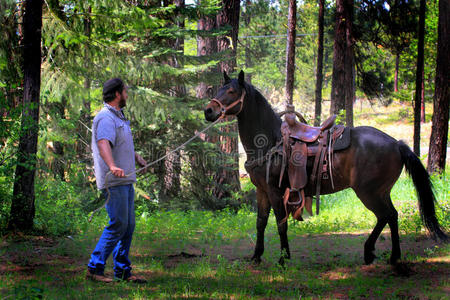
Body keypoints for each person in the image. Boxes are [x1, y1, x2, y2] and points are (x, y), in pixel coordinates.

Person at [87, 78, 147, 283]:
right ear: (117, 94)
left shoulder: (118, 117)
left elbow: (119, 144)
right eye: (125, 91)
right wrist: (112, 166)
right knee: (118, 223)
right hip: (114, 182)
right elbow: (103, 143)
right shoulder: (105, 118)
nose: (127, 95)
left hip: (126, 181)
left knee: (128, 226)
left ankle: (122, 272)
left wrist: (136, 157)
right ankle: (95, 268)